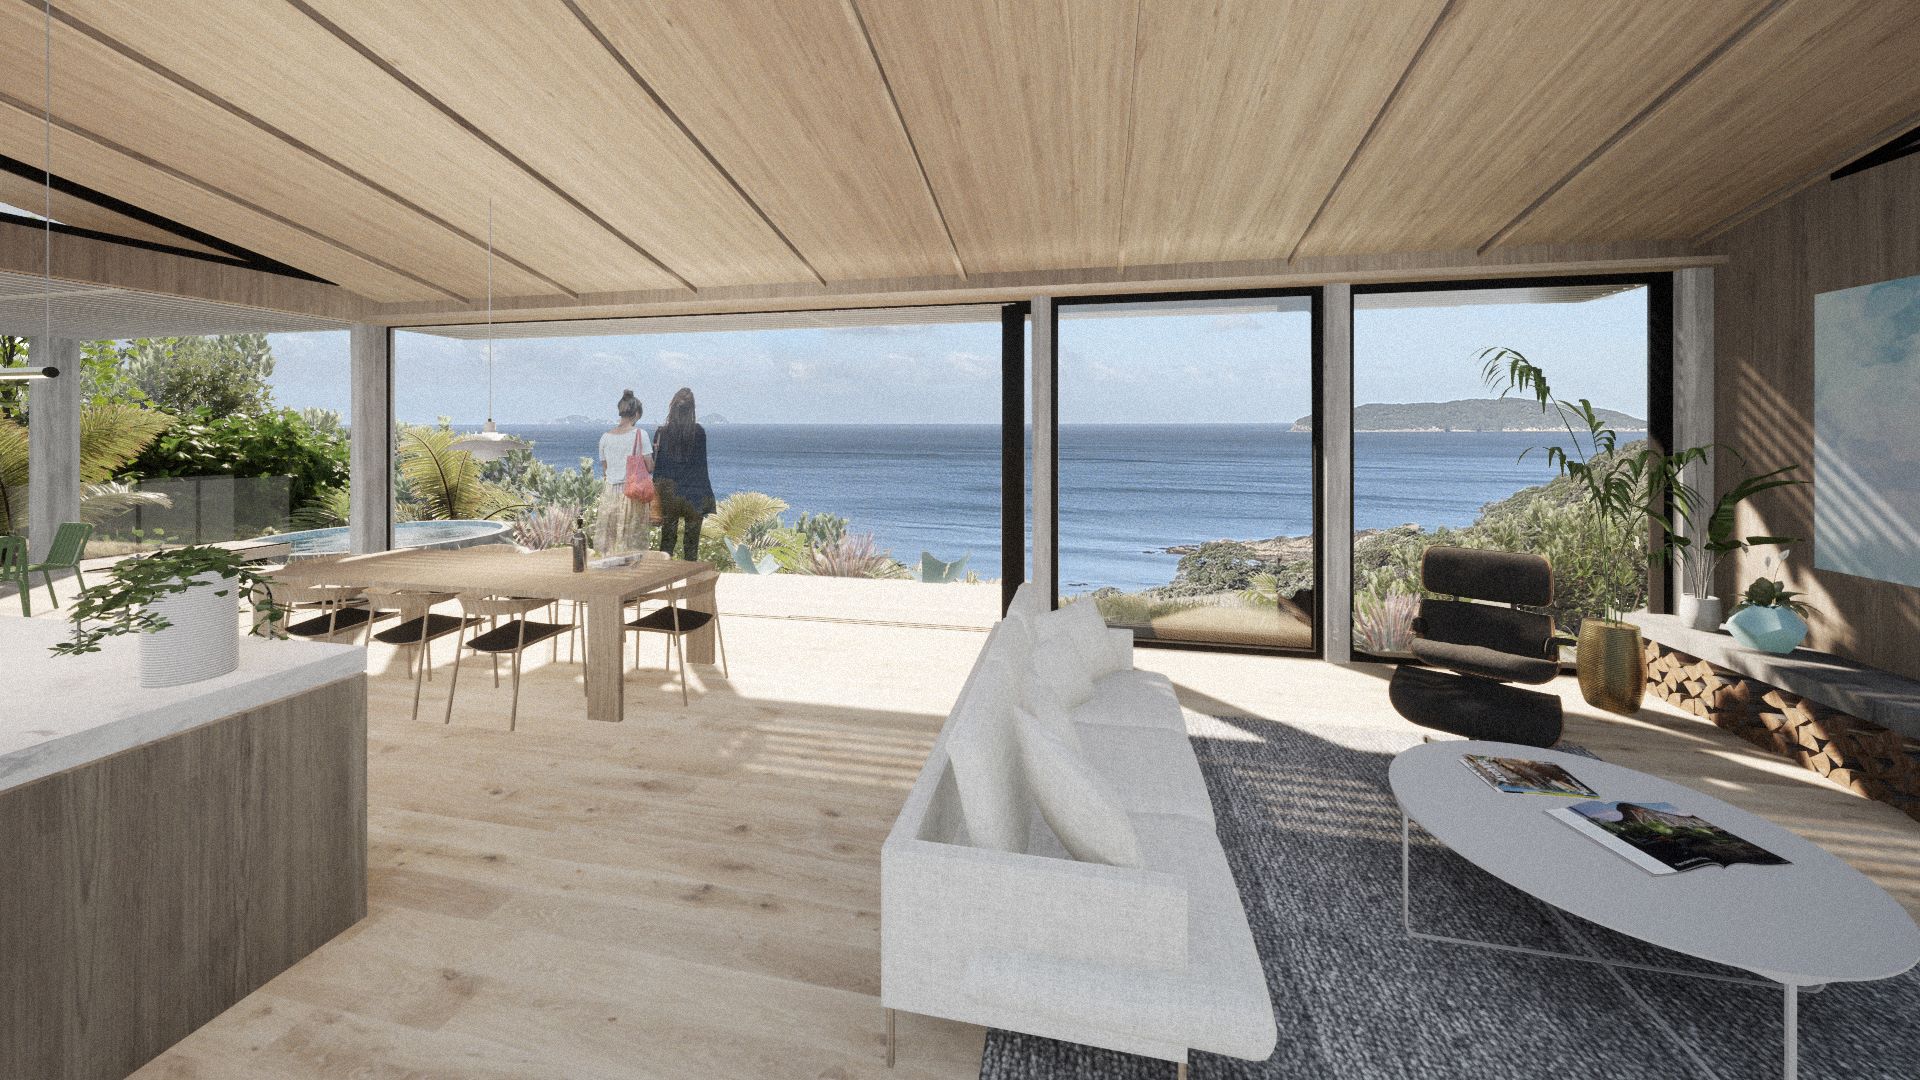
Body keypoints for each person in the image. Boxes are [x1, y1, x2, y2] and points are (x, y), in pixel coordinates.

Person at [651, 387, 715, 562]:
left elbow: (658, 470)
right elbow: (702, 467)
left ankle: (664, 586)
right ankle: (691, 587)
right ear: (692, 409)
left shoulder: (661, 433)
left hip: (670, 495)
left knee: (666, 545)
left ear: (672, 408)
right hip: (694, 495)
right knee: (691, 547)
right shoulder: (699, 433)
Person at [594, 390, 652, 556]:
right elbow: (649, 466)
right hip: (631, 494)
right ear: (637, 414)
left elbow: (605, 469)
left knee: (610, 544)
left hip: (610, 494)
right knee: (631, 545)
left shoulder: (605, 437)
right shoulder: (641, 435)